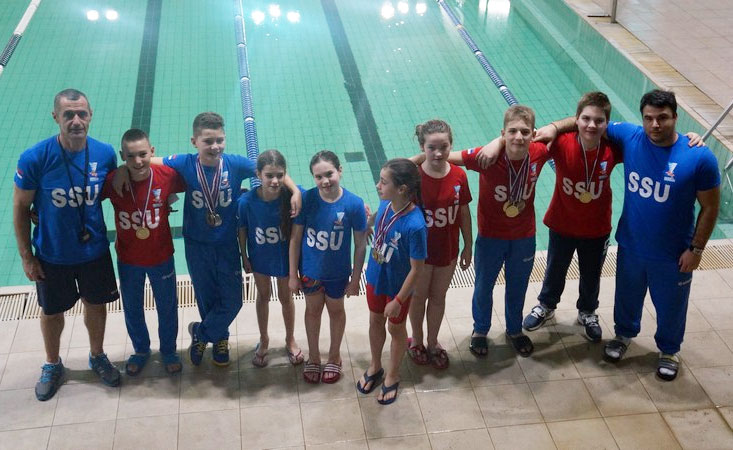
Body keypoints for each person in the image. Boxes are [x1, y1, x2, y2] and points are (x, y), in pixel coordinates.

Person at [539, 89, 720, 380]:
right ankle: (623, 336)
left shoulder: (698, 156)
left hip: (673, 252)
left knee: (671, 305)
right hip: (632, 244)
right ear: (642, 118)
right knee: (627, 298)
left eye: (662, 118)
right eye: (649, 118)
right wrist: (553, 127)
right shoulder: (631, 137)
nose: (655, 124)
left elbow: (710, 208)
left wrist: (696, 249)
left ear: (676, 117)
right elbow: (589, 120)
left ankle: (669, 350)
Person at [115, 112, 302, 367]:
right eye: (208, 141)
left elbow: (268, 169)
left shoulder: (235, 164)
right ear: (195, 142)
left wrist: (295, 190)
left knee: (233, 300)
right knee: (206, 297)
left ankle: (201, 333)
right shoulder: (185, 163)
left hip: (226, 244)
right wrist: (123, 169)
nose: (215, 146)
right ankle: (220, 339)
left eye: (219, 140)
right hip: (196, 245)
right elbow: (147, 160)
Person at [414, 105, 550, 357]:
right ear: (503, 133)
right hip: (491, 236)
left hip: (524, 236)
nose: (518, 137)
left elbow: (575, 127)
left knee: (518, 285)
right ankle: (480, 330)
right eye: (512, 131)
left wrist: (551, 128)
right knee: (483, 286)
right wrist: (411, 163)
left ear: (533, 134)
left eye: (524, 132)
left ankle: (514, 330)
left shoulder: (539, 152)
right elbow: (443, 155)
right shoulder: (485, 157)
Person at [13, 88, 121, 401]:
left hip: (94, 250)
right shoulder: (35, 158)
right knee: (51, 311)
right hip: (52, 253)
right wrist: (27, 257)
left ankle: (97, 355)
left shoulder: (104, 154)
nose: (76, 121)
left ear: (90, 115)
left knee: (96, 304)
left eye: (81, 114)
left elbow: (114, 192)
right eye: (68, 114)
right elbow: (20, 207)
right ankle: (52, 363)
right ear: (56, 117)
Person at [514, 92, 621, 342]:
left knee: (591, 274)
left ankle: (587, 312)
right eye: (586, 119)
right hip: (562, 223)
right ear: (576, 119)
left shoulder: (614, 148)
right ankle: (546, 305)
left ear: (607, 124)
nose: (591, 125)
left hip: (596, 228)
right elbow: (523, 142)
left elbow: (649, 144)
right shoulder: (561, 142)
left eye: (599, 120)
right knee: (555, 269)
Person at [102, 129, 186, 375]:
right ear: (122, 156)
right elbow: (86, 200)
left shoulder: (167, 176)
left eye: (143, 154)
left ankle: (168, 350)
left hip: (161, 256)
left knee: (167, 306)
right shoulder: (113, 182)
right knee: (133, 307)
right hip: (128, 259)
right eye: (130, 156)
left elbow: (196, 172)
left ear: (152, 152)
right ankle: (140, 350)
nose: (137, 161)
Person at [289, 151, 368, 384]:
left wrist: (356, 279)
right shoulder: (307, 200)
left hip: (338, 273)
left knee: (336, 311)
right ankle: (314, 356)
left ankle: (334, 355)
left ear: (340, 171)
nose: (325, 181)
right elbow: (295, 239)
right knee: (312, 311)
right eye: (318, 177)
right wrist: (293, 275)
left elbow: (360, 245)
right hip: (311, 272)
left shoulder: (354, 204)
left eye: (329, 174)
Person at [356, 158, 427, 405]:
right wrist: (368, 222)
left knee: (395, 329)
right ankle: (376, 366)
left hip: (398, 287)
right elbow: (380, 217)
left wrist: (398, 300)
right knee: (375, 321)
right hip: (376, 276)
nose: (378, 185)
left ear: (402, 189)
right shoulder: (387, 202)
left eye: (383, 182)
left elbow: (417, 270)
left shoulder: (415, 225)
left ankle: (393, 374)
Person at [407, 120, 472, 369]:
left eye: (443, 147)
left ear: (451, 145)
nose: (437, 153)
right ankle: (417, 341)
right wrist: (416, 160)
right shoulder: (414, 177)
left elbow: (464, 212)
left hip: (448, 250)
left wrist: (468, 245)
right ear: (422, 147)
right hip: (419, 255)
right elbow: (390, 172)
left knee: (437, 297)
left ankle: (433, 342)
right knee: (418, 297)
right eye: (431, 147)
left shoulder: (459, 175)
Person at [237, 149, 303, 367]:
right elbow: (242, 229)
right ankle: (264, 339)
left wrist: (360, 206)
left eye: (279, 175)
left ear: (285, 175)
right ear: (258, 175)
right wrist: (244, 256)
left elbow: (321, 196)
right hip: (260, 257)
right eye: (269, 176)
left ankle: (290, 339)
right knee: (263, 296)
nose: (275, 181)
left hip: (284, 258)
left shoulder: (292, 197)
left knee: (286, 298)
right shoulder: (247, 202)